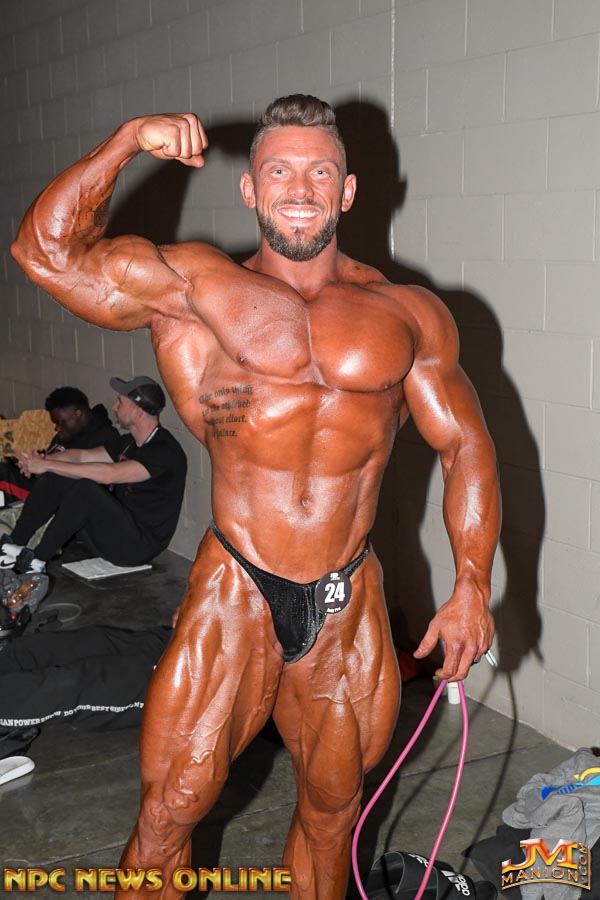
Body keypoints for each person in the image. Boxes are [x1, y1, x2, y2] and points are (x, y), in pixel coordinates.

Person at [10, 95, 501, 899]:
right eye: (279, 171)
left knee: (333, 815)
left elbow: (465, 444)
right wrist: (127, 142)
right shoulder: (194, 287)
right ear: (250, 189)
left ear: (347, 191)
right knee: (170, 810)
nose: (299, 189)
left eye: (320, 173)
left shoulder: (409, 314)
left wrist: (472, 583)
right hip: (236, 586)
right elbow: (45, 254)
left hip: (344, 598)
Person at [0, 376, 187, 575]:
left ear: (138, 411)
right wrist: (42, 460)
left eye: (120, 402)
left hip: (137, 546)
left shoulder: (165, 451)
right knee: (59, 474)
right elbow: (80, 456)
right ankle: (12, 546)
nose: (114, 407)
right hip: (113, 533)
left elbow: (109, 475)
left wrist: (46, 465)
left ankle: (35, 560)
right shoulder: (128, 443)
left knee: (86, 490)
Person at [0, 386, 118, 504]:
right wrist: (31, 462)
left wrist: (44, 467)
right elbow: (48, 459)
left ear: (78, 413)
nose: (57, 428)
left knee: (2, 474)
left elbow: (90, 478)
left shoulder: (106, 437)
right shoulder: (66, 434)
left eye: (61, 422)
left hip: (65, 498)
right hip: (43, 486)